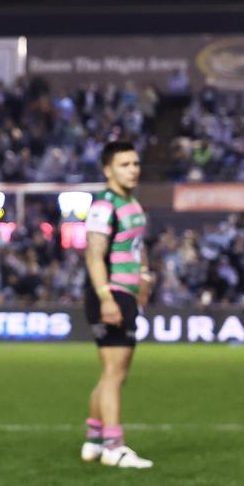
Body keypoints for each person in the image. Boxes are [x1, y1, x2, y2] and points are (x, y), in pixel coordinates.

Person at [80, 139, 154, 469]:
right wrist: (106, 297)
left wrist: (144, 275)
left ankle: (95, 439)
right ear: (108, 170)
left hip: (124, 292)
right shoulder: (103, 206)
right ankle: (114, 446)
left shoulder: (133, 205)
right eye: (125, 164)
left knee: (114, 372)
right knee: (114, 372)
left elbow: (137, 246)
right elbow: (93, 254)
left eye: (136, 163)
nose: (133, 169)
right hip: (110, 293)